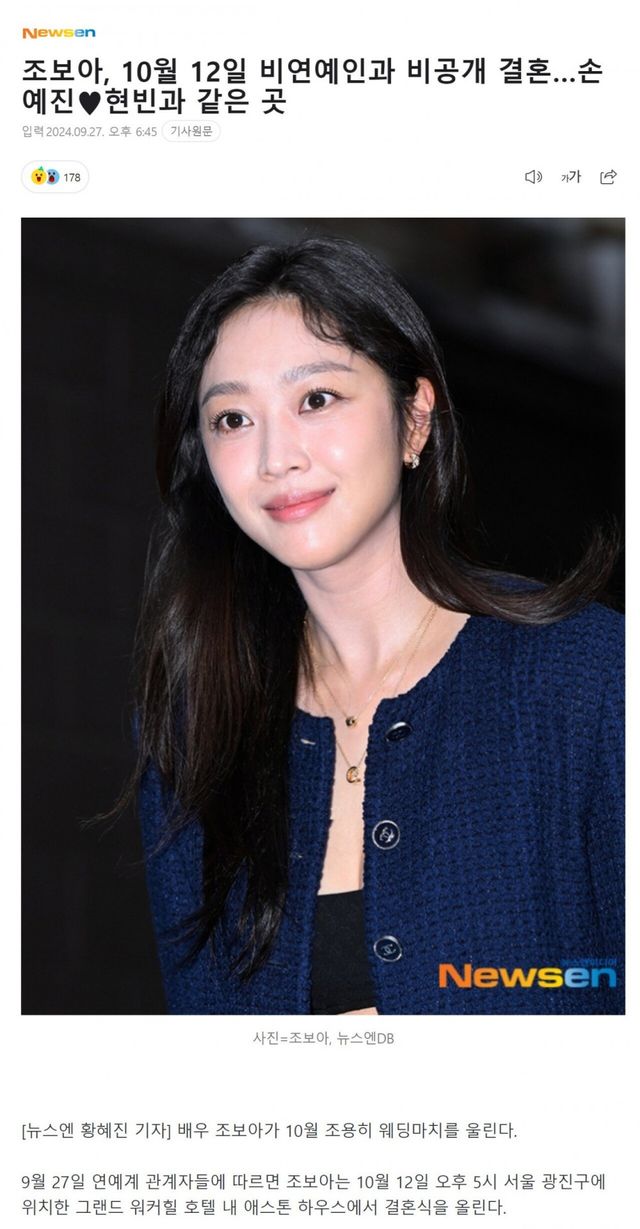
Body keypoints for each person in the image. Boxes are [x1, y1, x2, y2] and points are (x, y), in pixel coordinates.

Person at [135, 236, 623, 1015]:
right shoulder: (197, 732)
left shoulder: (587, 677)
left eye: (316, 399)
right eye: (232, 417)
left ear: (414, 419)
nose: (275, 457)